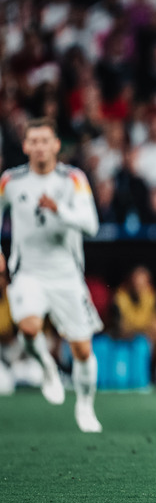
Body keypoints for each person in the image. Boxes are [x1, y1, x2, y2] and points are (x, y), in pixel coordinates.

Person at [0, 117, 104, 432]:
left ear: (56, 145)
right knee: (29, 328)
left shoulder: (72, 178)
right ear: (26, 145)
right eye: (34, 141)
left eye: (46, 140)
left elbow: (91, 225)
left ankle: (85, 406)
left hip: (66, 274)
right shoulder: (10, 180)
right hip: (28, 271)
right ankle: (47, 367)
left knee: (83, 349)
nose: (40, 147)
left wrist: (60, 210)